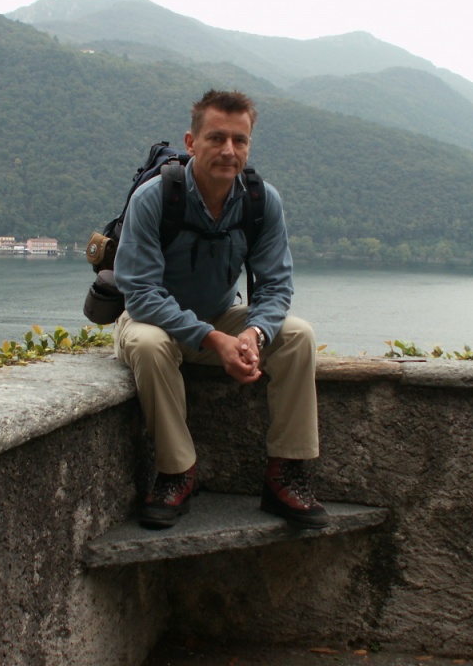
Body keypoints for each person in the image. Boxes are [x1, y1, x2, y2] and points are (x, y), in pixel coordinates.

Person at [113, 89, 328, 530]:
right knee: (150, 345)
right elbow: (141, 294)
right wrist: (213, 339)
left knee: (298, 335)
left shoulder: (260, 201)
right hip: (153, 321)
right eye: (216, 138)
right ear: (191, 142)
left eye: (239, 140)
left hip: (218, 317)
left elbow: (275, 286)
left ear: (248, 145)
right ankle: (176, 472)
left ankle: (286, 474)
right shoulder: (154, 198)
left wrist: (252, 334)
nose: (229, 150)